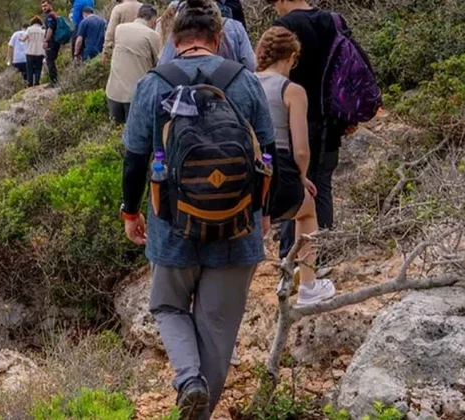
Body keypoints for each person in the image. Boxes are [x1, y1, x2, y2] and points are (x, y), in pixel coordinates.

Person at [119, 0, 275, 417]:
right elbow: (269, 154)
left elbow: (134, 158)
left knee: (168, 306)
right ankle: (200, 412)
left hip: (173, 226)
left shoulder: (154, 83)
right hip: (238, 227)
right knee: (218, 330)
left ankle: (188, 379)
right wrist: (262, 214)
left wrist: (130, 212)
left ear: (173, 39)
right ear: (219, 38)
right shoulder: (244, 81)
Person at [256, 26, 336, 304]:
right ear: (290, 57)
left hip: (247, 168)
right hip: (279, 167)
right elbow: (301, 149)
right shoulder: (292, 91)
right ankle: (309, 286)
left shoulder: (246, 82)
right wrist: (302, 179)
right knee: (306, 210)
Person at [267, 0, 349, 260]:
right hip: (330, 118)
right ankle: (322, 256)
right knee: (322, 187)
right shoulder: (333, 20)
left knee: (296, 188)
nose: (274, 9)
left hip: (297, 117)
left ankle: (291, 259)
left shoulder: (285, 26)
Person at [158, 1, 254, 70]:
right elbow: (251, 65)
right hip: (228, 88)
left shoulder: (179, 19)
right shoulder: (234, 27)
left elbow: (163, 64)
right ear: (217, 39)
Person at [105, 4, 160, 124]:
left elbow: (109, 42)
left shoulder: (119, 29)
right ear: (154, 20)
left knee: (114, 130)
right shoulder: (153, 35)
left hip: (113, 92)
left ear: (137, 15)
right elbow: (158, 64)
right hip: (136, 95)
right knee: (133, 136)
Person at [22, 16, 46, 87]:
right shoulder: (43, 30)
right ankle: (37, 82)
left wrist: (20, 39)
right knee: (38, 68)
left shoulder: (29, 29)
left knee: (30, 68)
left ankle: (30, 83)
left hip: (30, 51)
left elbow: (24, 39)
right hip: (40, 51)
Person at [41, 0, 61, 87]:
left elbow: (50, 29)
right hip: (55, 41)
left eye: (46, 6)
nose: (44, 8)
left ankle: (54, 81)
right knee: (51, 61)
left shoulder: (50, 16)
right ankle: (54, 80)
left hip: (52, 42)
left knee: (50, 61)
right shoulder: (54, 14)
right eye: (43, 6)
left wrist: (46, 40)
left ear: (50, 5)